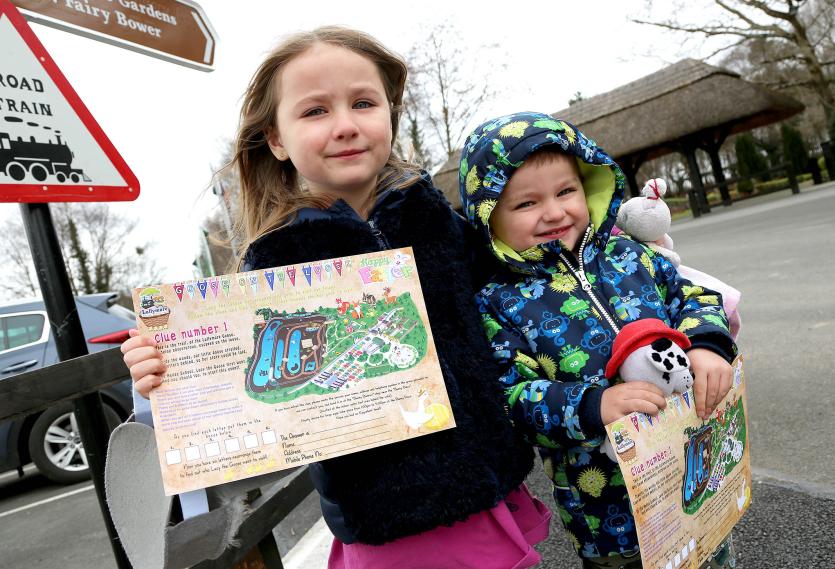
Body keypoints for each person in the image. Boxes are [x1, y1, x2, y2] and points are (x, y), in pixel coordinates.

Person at [121, 28, 550, 569]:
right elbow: (242, 390)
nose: (345, 125)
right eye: (315, 111)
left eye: (364, 103)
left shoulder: (433, 215)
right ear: (275, 139)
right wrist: (165, 378)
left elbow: (519, 287)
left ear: (390, 114)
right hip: (390, 515)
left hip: (493, 477)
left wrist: (620, 256)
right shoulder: (273, 261)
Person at [458, 111, 738, 568]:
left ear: (588, 186)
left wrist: (707, 345)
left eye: (566, 191)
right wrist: (592, 406)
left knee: (713, 556)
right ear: (489, 219)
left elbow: (692, 295)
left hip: (697, 474)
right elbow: (510, 397)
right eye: (526, 204)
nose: (553, 212)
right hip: (610, 516)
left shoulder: (630, 253)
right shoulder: (497, 303)